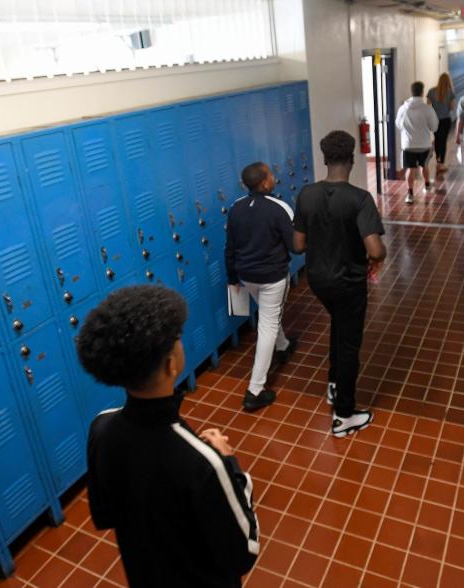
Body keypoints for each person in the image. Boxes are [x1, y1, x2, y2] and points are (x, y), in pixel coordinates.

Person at [78, 285, 259, 587]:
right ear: (170, 364)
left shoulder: (101, 429)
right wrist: (230, 466)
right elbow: (245, 553)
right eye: (177, 339)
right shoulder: (203, 462)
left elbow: (104, 513)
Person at [292, 131, 386, 438]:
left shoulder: (306, 194)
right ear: (352, 158)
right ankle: (344, 415)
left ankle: (334, 384)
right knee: (349, 344)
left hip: (318, 280)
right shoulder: (360, 199)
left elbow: (298, 245)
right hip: (348, 282)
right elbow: (375, 250)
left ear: (324, 159)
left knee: (338, 325)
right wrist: (376, 255)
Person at [225, 162, 298, 412]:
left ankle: (284, 346)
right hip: (273, 277)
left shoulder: (236, 208)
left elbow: (230, 248)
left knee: (269, 315)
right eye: (271, 174)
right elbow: (295, 246)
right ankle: (255, 390)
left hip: (246, 276)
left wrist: (232, 277)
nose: (274, 177)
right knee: (267, 324)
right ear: (265, 182)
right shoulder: (279, 208)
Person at [395, 80, 439, 204]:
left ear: (412, 92)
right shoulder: (427, 109)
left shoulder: (403, 108)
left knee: (410, 169)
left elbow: (398, 124)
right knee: (424, 166)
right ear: (422, 92)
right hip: (424, 145)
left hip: (408, 145)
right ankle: (427, 185)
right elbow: (434, 127)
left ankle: (410, 194)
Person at [426, 74, 456, 175]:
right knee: (443, 141)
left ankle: (437, 159)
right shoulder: (450, 93)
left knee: (437, 139)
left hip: (434, 120)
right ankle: (441, 163)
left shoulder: (431, 91)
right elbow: (452, 108)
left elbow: (428, 106)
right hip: (445, 120)